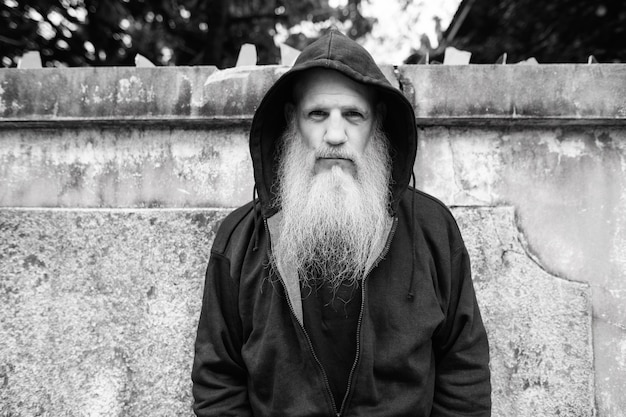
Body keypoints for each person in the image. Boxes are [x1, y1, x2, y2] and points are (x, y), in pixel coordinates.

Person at [192, 30, 491, 416]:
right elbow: (218, 380)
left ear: (376, 122)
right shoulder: (239, 239)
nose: (335, 135)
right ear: (292, 120)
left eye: (353, 115)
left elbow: (463, 373)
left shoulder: (432, 229)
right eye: (318, 114)